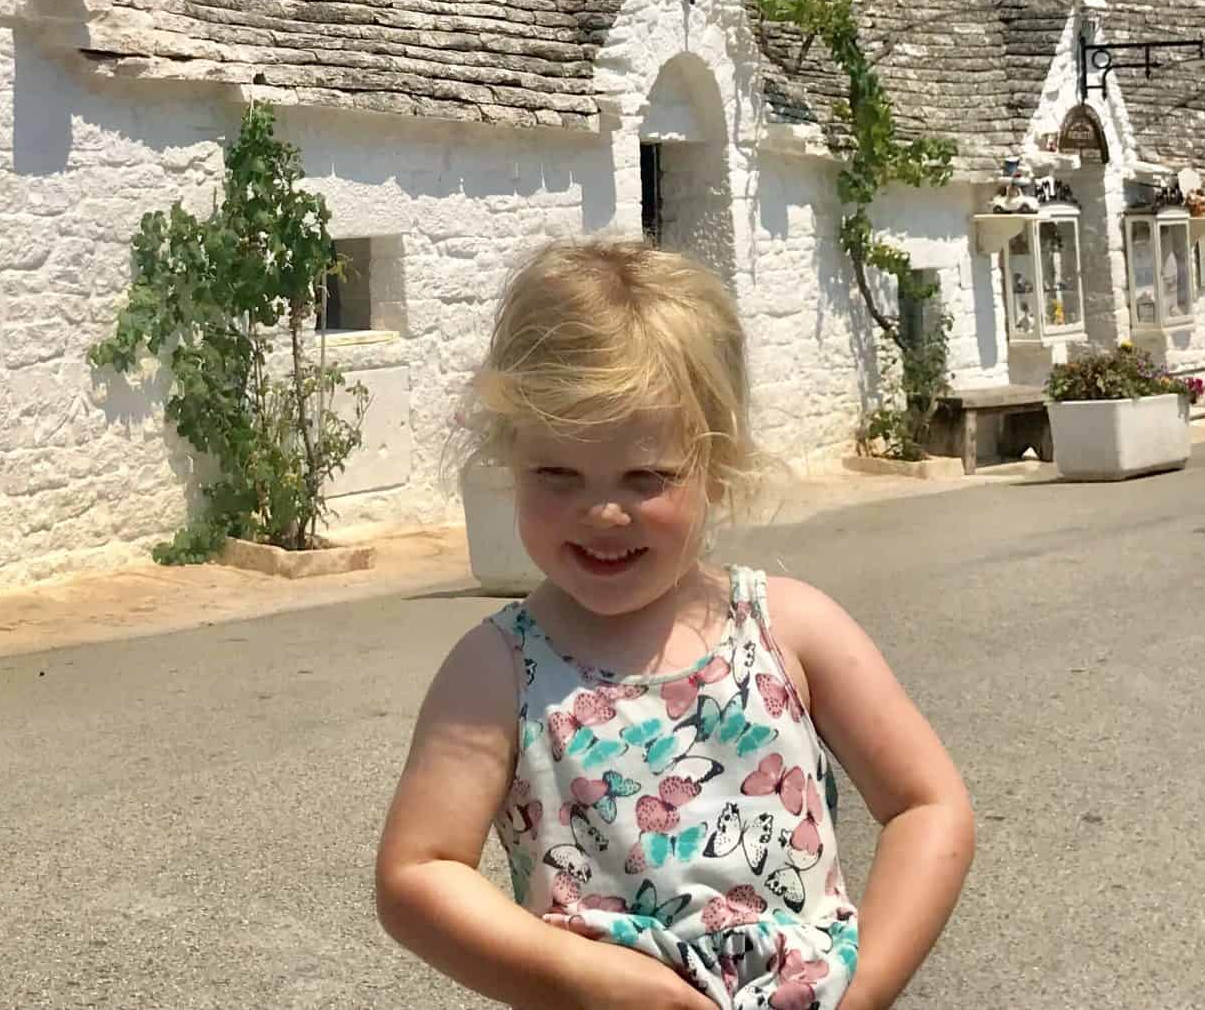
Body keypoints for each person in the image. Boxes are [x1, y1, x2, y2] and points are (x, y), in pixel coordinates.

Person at [375, 239, 973, 1009]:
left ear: (716, 466)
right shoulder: (498, 670)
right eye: (557, 474)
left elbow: (929, 804)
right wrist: (586, 978)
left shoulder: (789, 628)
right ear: (510, 458)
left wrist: (865, 990)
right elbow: (418, 872)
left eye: (647, 476)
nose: (602, 510)